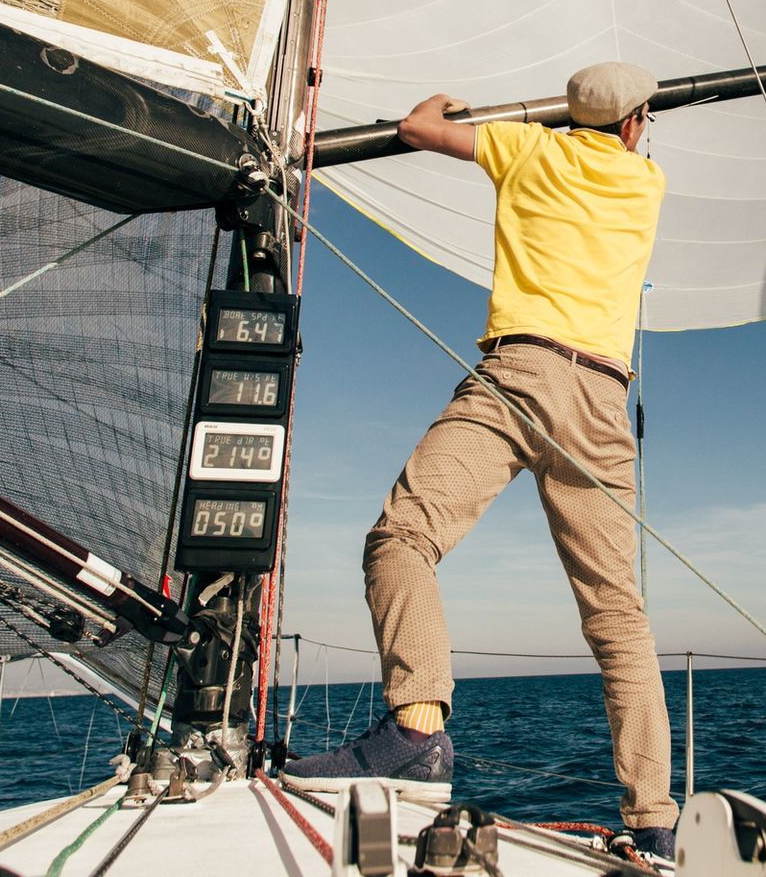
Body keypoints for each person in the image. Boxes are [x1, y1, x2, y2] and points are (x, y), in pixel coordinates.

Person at [283, 61, 678, 860]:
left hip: (518, 376)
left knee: (402, 539)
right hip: (602, 401)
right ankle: (655, 822)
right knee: (618, 618)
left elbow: (418, 128)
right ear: (635, 125)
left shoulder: (525, 151)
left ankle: (417, 731)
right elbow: (611, 139)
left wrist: (446, 108)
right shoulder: (648, 183)